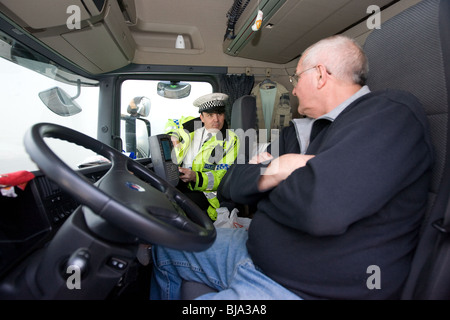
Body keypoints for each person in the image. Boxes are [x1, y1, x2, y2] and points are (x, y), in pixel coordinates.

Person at [150, 35, 434, 300]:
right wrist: (280, 169)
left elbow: (320, 210)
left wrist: (265, 183)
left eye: (297, 77)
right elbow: (232, 183)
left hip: (302, 287)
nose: (294, 89)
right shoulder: (296, 132)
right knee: (167, 243)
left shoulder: (388, 115)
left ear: (321, 75)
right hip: (252, 251)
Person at [164, 93, 240, 221]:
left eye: (220, 114)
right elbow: (172, 122)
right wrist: (173, 135)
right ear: (202, 118)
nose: (216, 119)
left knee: (169, 206)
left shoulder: (231, 140)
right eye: (210, 115)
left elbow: (222, 176)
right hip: (179, 183)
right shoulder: (191, 128)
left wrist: (196, 177)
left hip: (206, 195)